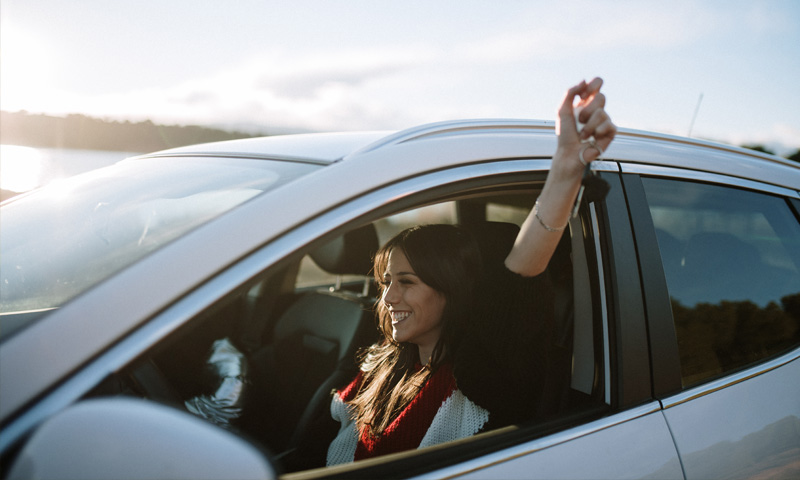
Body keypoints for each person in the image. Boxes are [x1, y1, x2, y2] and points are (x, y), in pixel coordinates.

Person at [326, 78, 617, 465]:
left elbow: (518, 279)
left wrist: (565, 171)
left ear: (449, 288)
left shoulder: (481, 374)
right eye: (386, 282)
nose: (389, 297)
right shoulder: (387, 361)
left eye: (407, 282)